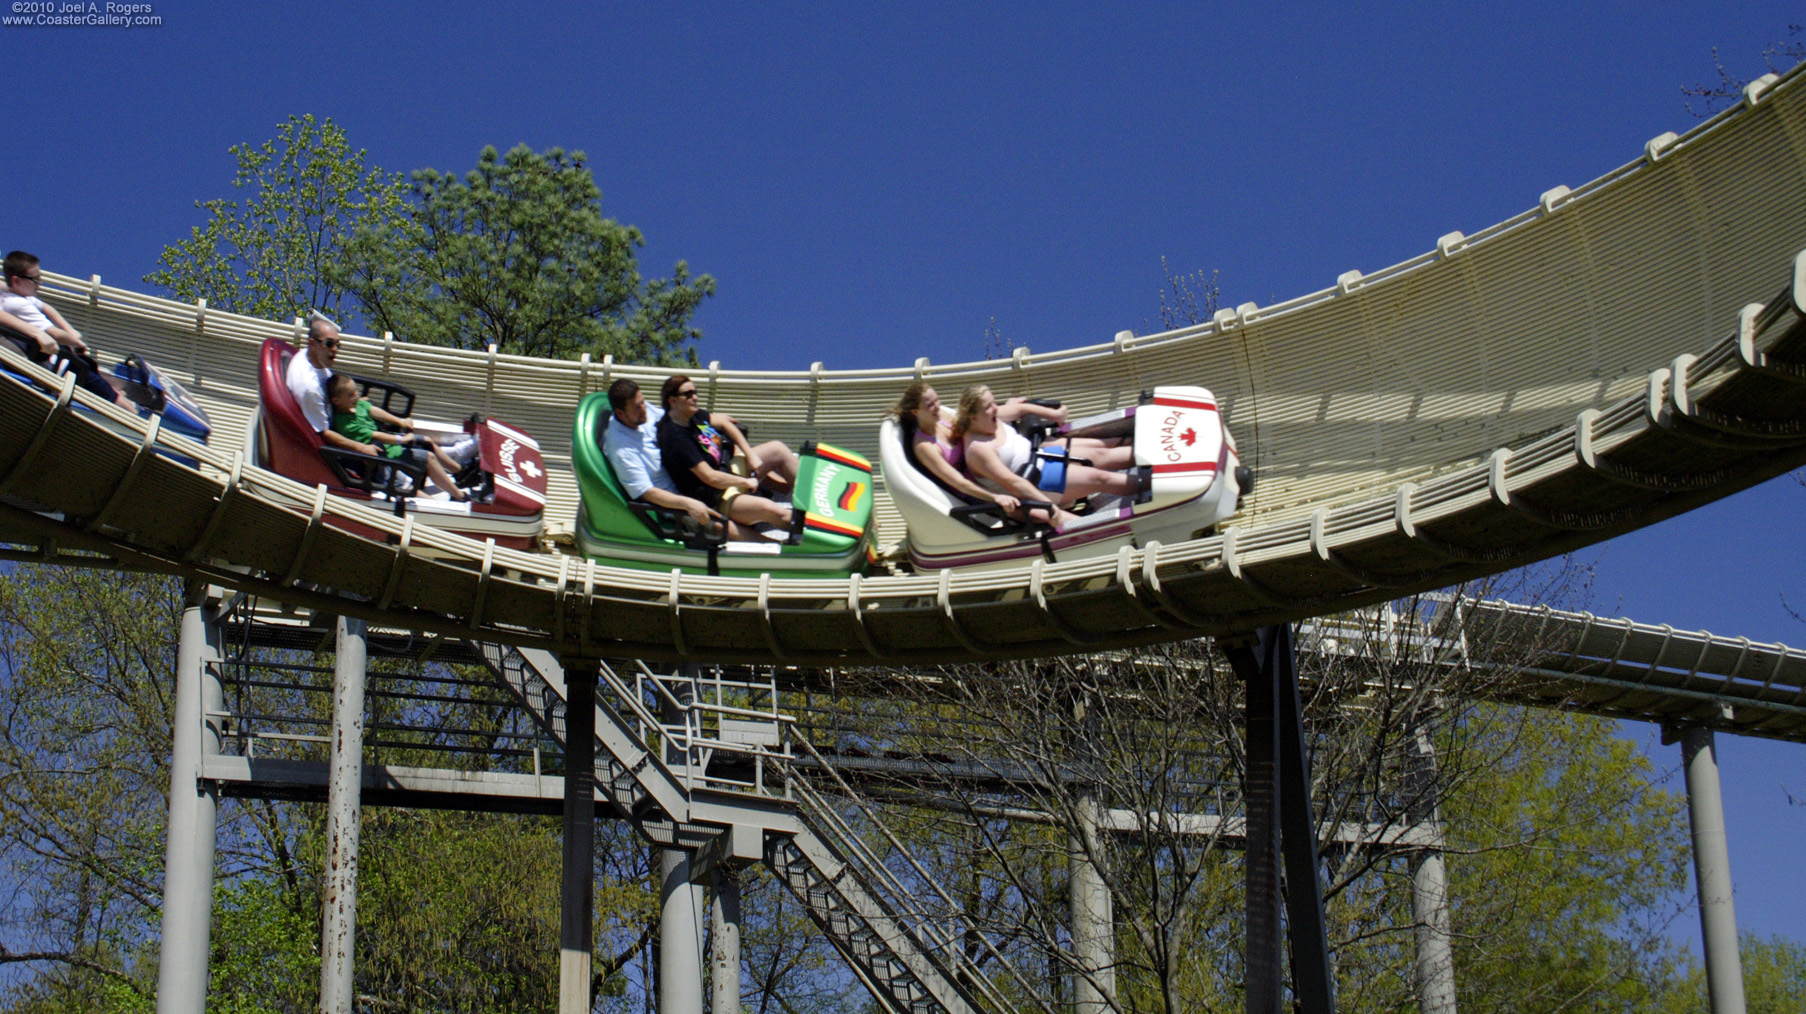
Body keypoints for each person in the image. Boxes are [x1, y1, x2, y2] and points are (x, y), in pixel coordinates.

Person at [288, 312, 478, 467]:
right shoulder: (309, 387)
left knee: (370, 407)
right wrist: (360, 448)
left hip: (346, 418)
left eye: (338, 344)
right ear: (312, 344)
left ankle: (451, 450)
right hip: (345, 440)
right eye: (329, 344)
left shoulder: (312, 358)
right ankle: (454, 457)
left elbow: (332, 392)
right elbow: (323, 434)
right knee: (405, 442)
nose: (335, 349)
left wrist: (354, 401)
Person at [954, 384, 1140, 525]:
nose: (995, 408)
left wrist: (1054, 415)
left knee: (1100, 453)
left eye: (994, 403)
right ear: (973, 417)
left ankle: (1155, 457)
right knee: (1100, 478)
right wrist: (1047, 506)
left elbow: (1020, 409)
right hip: (1037, 483)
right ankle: (1149, 487)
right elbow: (1013, 483)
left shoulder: (989, 416)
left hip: (1042, 455)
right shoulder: (979, 449)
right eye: (989, 406)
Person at [655, 374, 800, 536]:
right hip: (719, 497)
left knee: (777, 449)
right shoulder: (675, 437)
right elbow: (710, 477)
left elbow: (724, 423)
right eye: (688, 394)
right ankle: (813, 534)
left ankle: (815, 501)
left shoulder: (691, 415)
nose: (695, 398)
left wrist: (750, 454)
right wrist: (745, 481)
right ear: (673, 401)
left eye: (695, 392)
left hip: (729, 470)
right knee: (773, 510)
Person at [602, 377, 746, 540]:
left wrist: (710, 418)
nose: (644, 409)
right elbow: (648, 493)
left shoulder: (642, 411)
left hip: (686, 480)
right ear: (620, 413)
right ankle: (768, 547)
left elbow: (674, 417)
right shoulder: (621, 448)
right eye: (637, 407)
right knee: (723, 526)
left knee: (740, 457)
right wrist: (688, 504)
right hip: (674, 505)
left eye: (643, 402)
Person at [0, 251, 135, 408]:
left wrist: (70, 331)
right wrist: (77, 343)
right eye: (35, 279)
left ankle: (119, 394)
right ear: (16, 281)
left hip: (58, 359)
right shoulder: (18, 304)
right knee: (98, 382)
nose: (39, 283)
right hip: (58, 367)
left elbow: (47, 308)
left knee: (94, 369)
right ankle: (129, 411)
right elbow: (56, 334)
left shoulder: (16, 295)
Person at [327, 374, 469, 501]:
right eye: (350, 394)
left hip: (391, 448)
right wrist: (402, 439)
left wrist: (400, 421)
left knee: (427, 446)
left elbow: (374, 411)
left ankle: (459, 478)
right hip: (381, 458)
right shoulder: (345, 424)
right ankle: (439, 507)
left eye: (356, 391)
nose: (356, 396)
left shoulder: (356, 405)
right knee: (408, 484)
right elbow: (377, 436)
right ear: (337, 400)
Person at [890, 381, 1020, 516]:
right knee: (1033, 514)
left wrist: (1009, 407)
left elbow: (977, 421)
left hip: (984, 470)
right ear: (915, 412)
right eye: (930, 405)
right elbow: (960, 483)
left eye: (937, 400)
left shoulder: (942, 416)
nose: (937, 406)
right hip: (974, 493)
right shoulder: (924, 447)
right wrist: (995, 497)